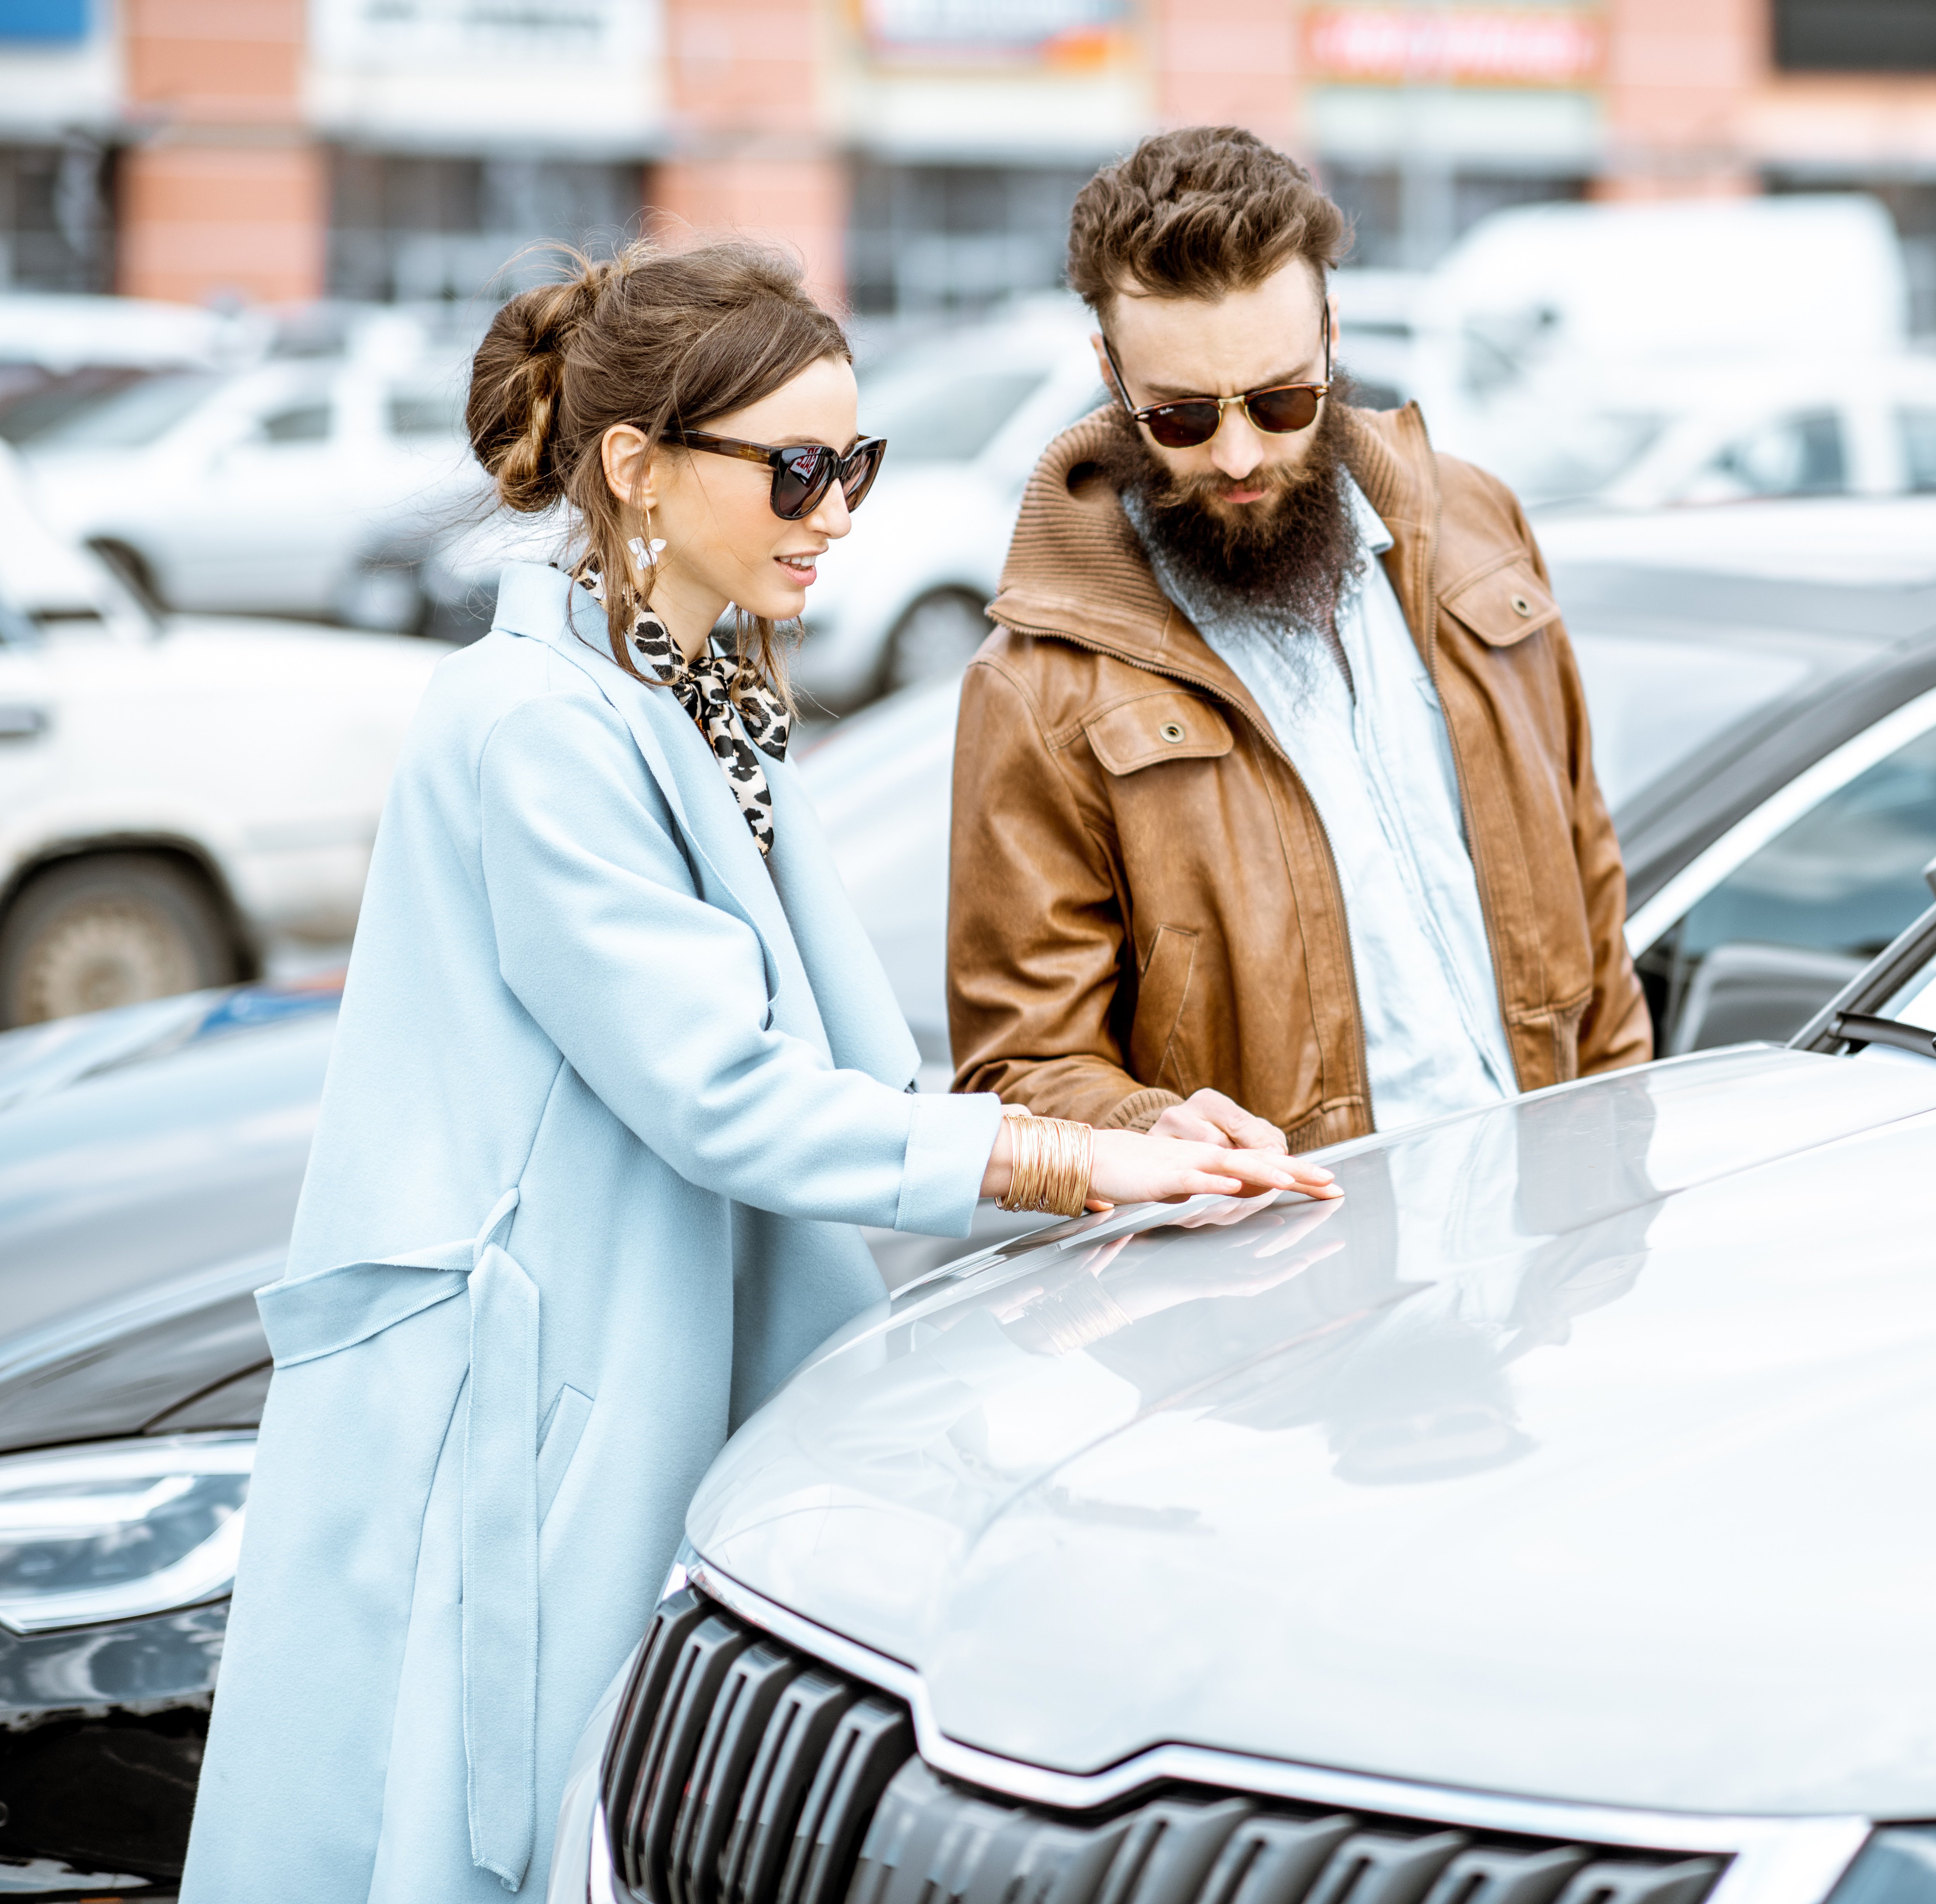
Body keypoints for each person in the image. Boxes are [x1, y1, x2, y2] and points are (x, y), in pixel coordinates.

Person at [180, 241, 1333, 1904]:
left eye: (852, 462)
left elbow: (859, 1070)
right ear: (637, 470)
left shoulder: (697, 693)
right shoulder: (538, 724)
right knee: (467, 1840)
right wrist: (1075, 1166)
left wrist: (1133, 1129)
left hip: (635, 1381)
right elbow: (722, 1092)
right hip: (524, 1420)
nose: (837, 506)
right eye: (795, 467)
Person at [949, 126, 1652, 1154]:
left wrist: (1615, 1181)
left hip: (1553, 1253)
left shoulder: (1478, 532)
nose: (1240, 455)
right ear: (1110, 375)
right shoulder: (1040, 687)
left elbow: (1594, 906)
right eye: (1183, 419)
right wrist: (1150, 1127)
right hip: (1301, 1292)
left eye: (1281, 402)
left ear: (1331, 334)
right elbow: (1022, 1073)